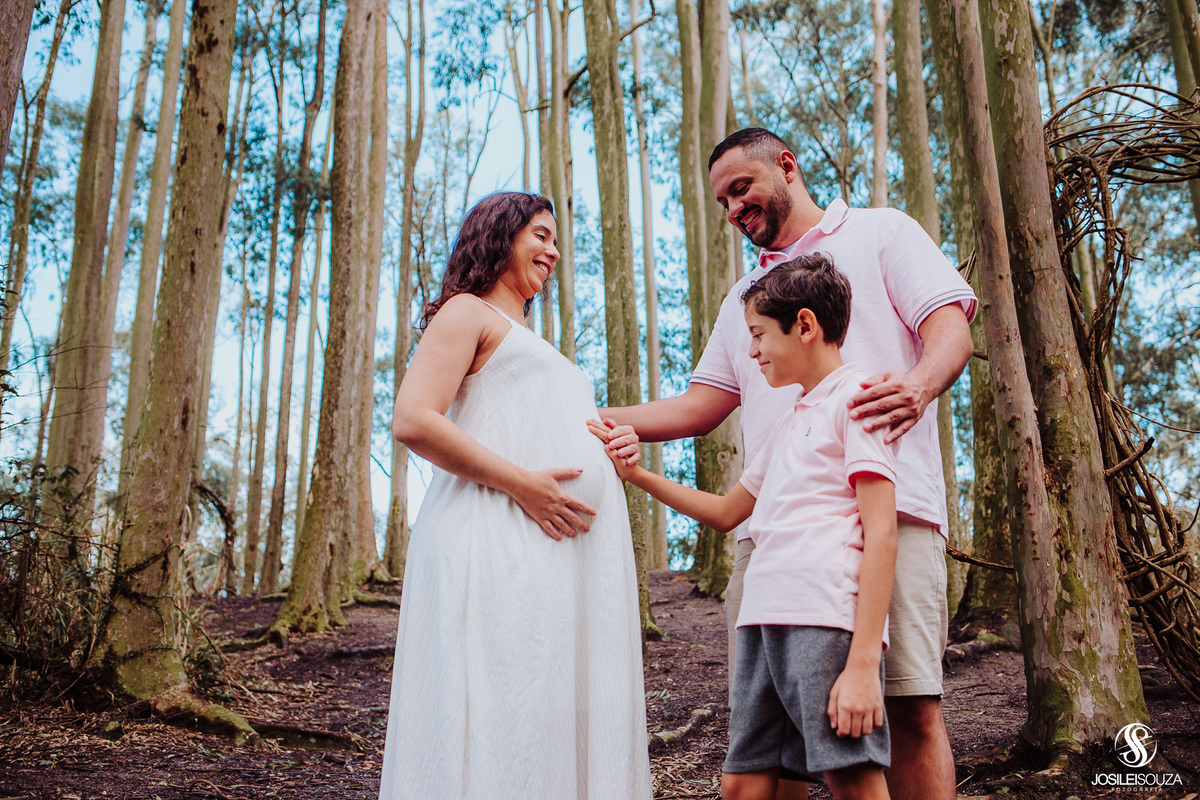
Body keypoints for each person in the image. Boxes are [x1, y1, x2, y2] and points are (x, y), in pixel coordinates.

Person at [602, 128, 976, 800]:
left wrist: (919, 386)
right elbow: (701, 404)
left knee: (907, 707)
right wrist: (592, 418)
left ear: (787, 166)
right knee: (772, 747)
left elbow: (950, 328)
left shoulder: (882, 232)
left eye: (740, 188)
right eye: (721, 201)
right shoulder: (746, 297)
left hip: (889, 512)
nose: (732, 209)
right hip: (772, 534)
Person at [378, 192, 652, 800]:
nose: (553, 251)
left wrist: (614, 444)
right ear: (499, 235)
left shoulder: (533, 341)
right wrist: (523, 485)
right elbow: (413, 419)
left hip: (548, 554)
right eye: (540, 234)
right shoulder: (467, 312)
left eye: (556, 240)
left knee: (542, 710)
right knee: (505, 707)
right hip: (493, 540)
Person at [592, 254, 897, 800]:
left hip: (823, 618)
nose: (752, 351)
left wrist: (862, 663)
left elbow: (883, 534)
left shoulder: (858, 402)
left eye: (758, 335)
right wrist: (636, 475)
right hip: (761, 620)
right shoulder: (791, 420)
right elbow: (727, 511)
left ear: (805, 326)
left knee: (851, 776)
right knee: (742, 783)